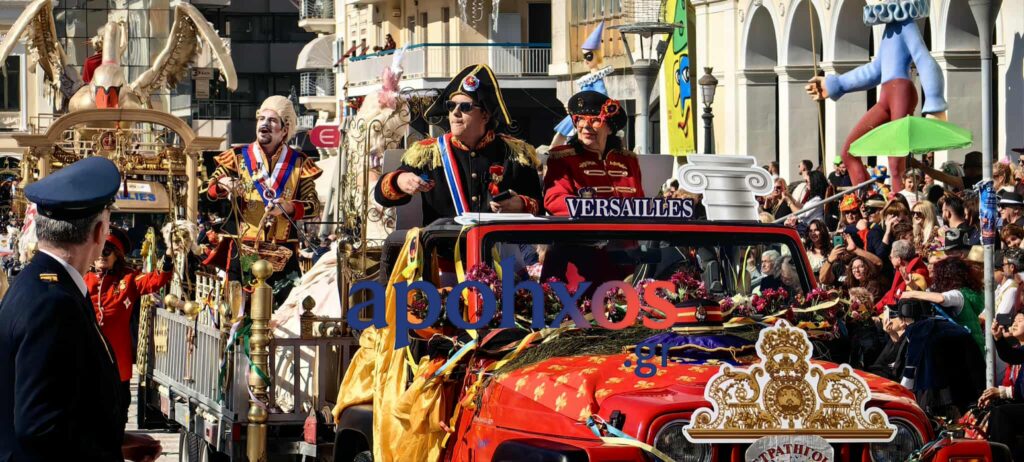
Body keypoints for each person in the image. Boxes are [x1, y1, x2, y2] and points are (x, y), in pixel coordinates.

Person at [0, 157, 161, 461]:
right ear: (100, 232)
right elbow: (41, 427)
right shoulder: (54, 303)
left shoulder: (42, 284)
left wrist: (117, 441)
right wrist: (107, 449)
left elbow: (64, 405)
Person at [374, 64, 543, 226]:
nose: (455, 112)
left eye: (465, 107)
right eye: (450, 106)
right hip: (444, 245)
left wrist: (520, 204)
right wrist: (399, 181)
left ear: (485, 115)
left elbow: (540, 207)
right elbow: (381, 195)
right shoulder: (428, 153)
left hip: (498, 245)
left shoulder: (515, 154)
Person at [805, 0, 945, 190]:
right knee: (849, 151)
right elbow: (874, 70)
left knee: (895, 162)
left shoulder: (907, 25)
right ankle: (868, 197)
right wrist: (835, 84)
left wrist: (935, 102)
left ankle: (898, 200)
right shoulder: (890, 29)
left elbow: (924, 60)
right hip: (887, 97)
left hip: (901, 93)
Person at [206, 95, 323, 286]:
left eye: (272, 120)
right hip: (245, 248)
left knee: (284, 300)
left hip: (282, 252)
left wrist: (288, 207)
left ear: (284, 130)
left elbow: (314, 206)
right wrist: (222, 184)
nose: (264, 123)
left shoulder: (299, 162)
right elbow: (209, 189)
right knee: (245, 296)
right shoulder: (237, 157)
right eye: (261, 118)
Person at [86, 227, 174, 425]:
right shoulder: (81, 277)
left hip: (118, 361)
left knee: (117, 414)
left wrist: (168, 256)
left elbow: (156, 279)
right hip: (87, 359)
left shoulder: (128, 279)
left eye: (107, 251)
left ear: (117, 255)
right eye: (98, 250)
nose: (101, 256)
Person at [544, 91, 643, 215]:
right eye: (580, 119)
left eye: (595, 120)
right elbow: (555, 200)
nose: (586, 126)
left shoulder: (628, 160)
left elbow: (641, 203)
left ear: (610, 129)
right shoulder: (563, 158)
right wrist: (602, 209)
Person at [901, 256, 985, 352]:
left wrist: (911, 293)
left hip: (969, 350)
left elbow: (941, 298)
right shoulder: (963, 293)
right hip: (967, 347)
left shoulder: (958, 295)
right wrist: (913, 286)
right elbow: (929, 296)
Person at [551, 22, 612, 147]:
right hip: (580, 112)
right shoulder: (588, 78)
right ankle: (553, 149)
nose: (586, 60)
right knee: (564, 128)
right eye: (584, 56)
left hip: (590, 113)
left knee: (570, 129)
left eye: (588, 56)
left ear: (596, 55)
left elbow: (602, 95)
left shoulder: (597, 77)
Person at [982, 311, 1024, 461]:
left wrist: (1001, 393)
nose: (1015, 323)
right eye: (1015, 320)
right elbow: (1011, 356)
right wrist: (998, 338)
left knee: (1002, 413)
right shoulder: (1019, 350)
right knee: (992, 410)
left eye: (1020, 320)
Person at [876, 239, 929, 311]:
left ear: (899, 260)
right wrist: (874, 310)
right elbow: (890, 295)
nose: (890, 259)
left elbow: (919, 299)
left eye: (891, 257)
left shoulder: (917, 274)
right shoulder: (901, 269)